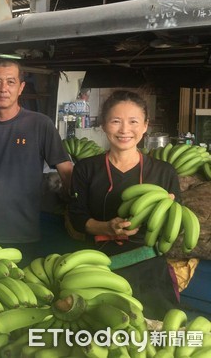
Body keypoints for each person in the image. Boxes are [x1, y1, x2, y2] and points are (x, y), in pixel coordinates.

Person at [67, 89, 181, 319]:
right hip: (99, 267)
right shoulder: (86, 169)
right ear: (104, 125)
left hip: (150, 273)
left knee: (158, 341)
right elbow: (77, 217)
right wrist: (106, 227)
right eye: (116, 121)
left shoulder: (163, 172)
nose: (125, 130)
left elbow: (175, 228)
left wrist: (169, 212)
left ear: (146, 125)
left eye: (133, 122)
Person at [0, 59, 73, 260]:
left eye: (10, 82)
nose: (3, 89)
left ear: (21, 87)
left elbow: (66, 169)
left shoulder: (40, 124)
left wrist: (74, 211)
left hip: (23, 234)